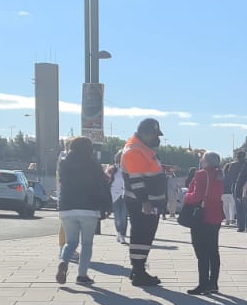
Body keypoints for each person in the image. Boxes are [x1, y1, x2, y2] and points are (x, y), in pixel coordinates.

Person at [53, 137, 112, 287]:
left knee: (71, 242)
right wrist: (107, 206)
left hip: (67, 207)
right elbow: (103, 185)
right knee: (86, 244)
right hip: (89, 208)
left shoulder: (64, 163)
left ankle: (63, 261)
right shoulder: (93, 164)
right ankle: (82, 275)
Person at [121, 118, 170, 287]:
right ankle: (139, 272)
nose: (157, 139)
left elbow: (146, 171)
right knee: (142, 236)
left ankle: (138, 270)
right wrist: (145, 202)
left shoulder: (143, 149)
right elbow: (136, 180)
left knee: (144, 235)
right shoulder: (135, 150)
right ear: (144, 133)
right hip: (141, 201)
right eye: (154, 135)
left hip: (147, 200)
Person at [184, 152, 226, 295]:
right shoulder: (219, 174)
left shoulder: (202, 174)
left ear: (206, 161)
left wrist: (186, 196)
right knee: (213, 251)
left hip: (203, 216)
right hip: (216, 215)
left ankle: (203, 283)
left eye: (202, 159)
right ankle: (213, 283)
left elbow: (197, 196)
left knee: (201, 252)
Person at [107, 163, 128, 245]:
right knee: (118, 217)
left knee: (124, 216)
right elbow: (107, 181)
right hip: (114, 196)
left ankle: (122, 234)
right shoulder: (113, 169)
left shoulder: (127, 168)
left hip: (125, 195)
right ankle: (119, 232)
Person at [222, 151, 241, 226]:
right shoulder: (233, 175)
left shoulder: (223, 176)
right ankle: (232, 219)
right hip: (231, 191)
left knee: (225, 207)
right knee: (232, 206)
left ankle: (227, 220)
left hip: (224, 192)